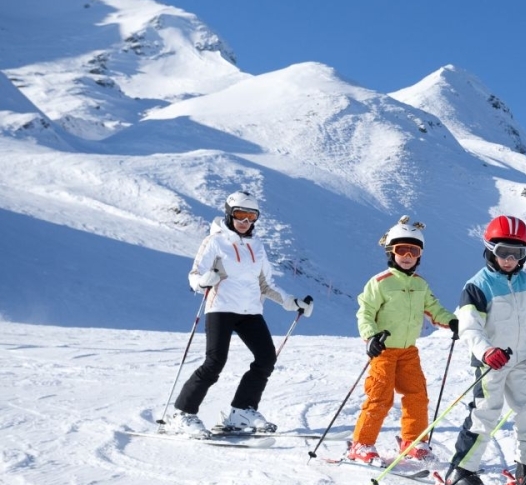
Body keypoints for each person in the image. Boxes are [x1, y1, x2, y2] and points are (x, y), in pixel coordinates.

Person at [167, 191, 313, 438]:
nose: (245, 221)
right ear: (229, 214)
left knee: (266, 359)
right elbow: (195, 275)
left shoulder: (257, 246)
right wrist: (203, 281)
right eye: (240, 215)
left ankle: (242, 410)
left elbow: (266, 284)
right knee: (214, 363)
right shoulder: (214, 241)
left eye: (251, 216)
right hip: (221, 308)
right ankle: (183, 414)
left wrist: (292, 302)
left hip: (250, 311)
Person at [443, 215, 526, 485]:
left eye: (517, 253)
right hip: (491, 364)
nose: (509, 260)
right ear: (489, 249)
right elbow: (470, 327)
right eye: (503, 252)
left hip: (519, 361)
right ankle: (460, 472)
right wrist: (486, 352)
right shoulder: (477, 285)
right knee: (485, 413)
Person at [348, 216, 458, 465]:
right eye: (401, 250)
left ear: (419, 255)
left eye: (413, 250)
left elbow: (433, 308)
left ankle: (412, 441)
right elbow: (365, 312)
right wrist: (371, 337)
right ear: (391, 251)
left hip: (409, 351)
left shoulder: (420, 284)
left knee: (417, 395)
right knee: (380, 396)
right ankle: (361, 444)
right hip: (384, 351)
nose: (407, 255)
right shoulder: (380, 283)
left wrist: (451, 321)